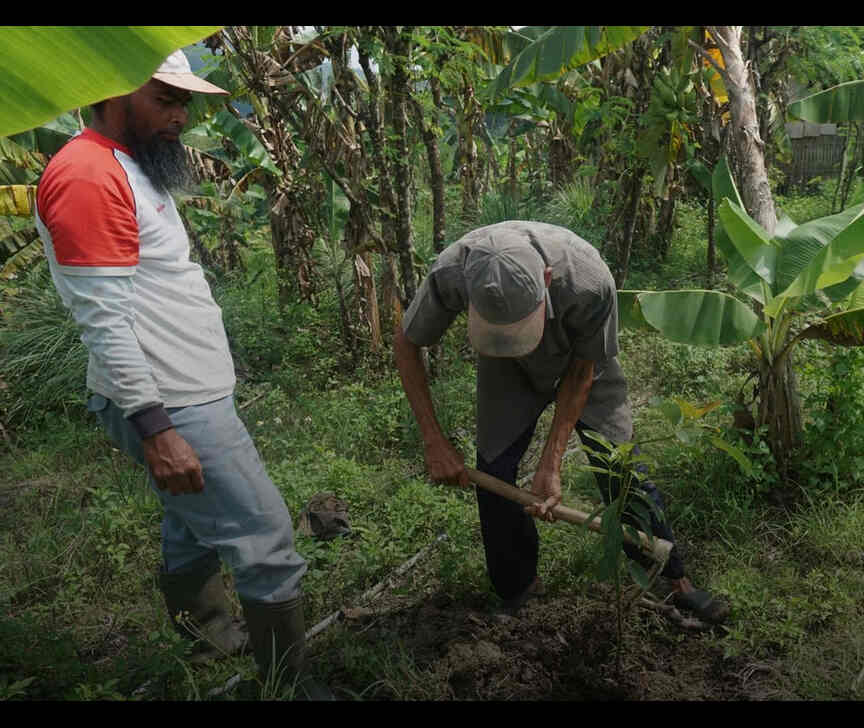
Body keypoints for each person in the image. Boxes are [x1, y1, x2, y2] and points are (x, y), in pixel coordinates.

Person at [34, 50, 331, 700]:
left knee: (191, 518)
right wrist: (156, 428)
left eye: (183, 101)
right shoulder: (87, 175)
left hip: (186, 393)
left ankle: (206, 634)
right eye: (165, 99)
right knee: (264, 535)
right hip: (169, 404)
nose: (181, 115)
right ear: (115, 89)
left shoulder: (130, 167)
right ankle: (293, 689)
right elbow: (104, 320)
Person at [394, 220, 730, 623]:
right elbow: (407, 342)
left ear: (546, 279)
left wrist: (551, 463)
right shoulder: (452, 272)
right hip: (507, 371)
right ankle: (518, 589)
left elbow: (582, 372)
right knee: (494, 475)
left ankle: (675, 583)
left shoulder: (588, 281)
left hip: (582, 363)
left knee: (622, 470)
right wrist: (433, 439)